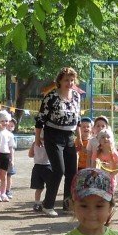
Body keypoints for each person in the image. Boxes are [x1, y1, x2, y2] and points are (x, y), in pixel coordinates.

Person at [34, 66, 81, 216]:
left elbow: (78, 119)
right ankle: (47, 205)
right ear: (59, 81)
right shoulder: (51, 97)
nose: (69, 83)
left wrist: (79, 137)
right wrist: (37, 138)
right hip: (53, 135)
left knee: (72, 171)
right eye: (66, 80)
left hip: (69, 136)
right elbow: (40, 118)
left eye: (72, 80)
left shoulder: (76, 96)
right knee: (58, 170)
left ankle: (68, 205)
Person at [0, 110, 16, 202]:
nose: (4, 123)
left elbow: (11, 148)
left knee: (4, 175)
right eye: (2, 121)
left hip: (6, 155)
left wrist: (12, 159)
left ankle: (3, 193)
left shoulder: (9, 134)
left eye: (6, 121)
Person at [29, 130, 51, 212]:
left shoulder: (35, 143)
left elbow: (30, 154)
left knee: (39, 188)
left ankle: (37, 203)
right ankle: (46, 202)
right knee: (49, 186)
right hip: (47, 166)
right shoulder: (50, 143)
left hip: (38, 166)